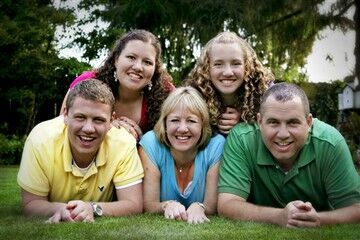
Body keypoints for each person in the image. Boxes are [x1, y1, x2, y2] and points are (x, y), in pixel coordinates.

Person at [218, 82, 360, 227]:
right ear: (260, 121)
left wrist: (318, 219)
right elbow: (227, 203)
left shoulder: (330, 142)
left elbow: (355, 209)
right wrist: (279, 216)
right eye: (273, 122)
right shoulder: (242, 139)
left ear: (309, 122)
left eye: (293, 123)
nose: (283, 134)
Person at [18, 79, 144, 223]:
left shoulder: (123, 143)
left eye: (98, 120)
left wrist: (93, 208)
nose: (88, 129)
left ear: (111, 121)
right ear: (65, 115)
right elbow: (30, 203)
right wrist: (58, 209)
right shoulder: (40, 139)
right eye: (80, 117)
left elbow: (133, 204)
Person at [60, 29, 175, 141]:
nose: (138, 67)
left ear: (155, 68)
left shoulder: (167, 93)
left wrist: (143, 139)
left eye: (147, 62)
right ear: (116, 59)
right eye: (131, 57)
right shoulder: (87, 81)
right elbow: (61, 125)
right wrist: (109, 125)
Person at [138, 86, 225, 224]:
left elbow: (212, 205)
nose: (182, 129)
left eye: (191, 121)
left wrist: (200, 207)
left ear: (202, 125)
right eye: (175, 120)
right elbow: (148, 204)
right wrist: (166, 205)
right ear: (165, 124)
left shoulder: (216, 146)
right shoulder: (151, 144)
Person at [186, 31, 274, 135]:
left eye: (236, 64)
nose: (228, 72)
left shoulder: (268, 95)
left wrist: (245, 121)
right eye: (218, 64)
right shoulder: (191, 98)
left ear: (247, 67)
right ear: (206, 68)